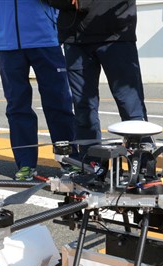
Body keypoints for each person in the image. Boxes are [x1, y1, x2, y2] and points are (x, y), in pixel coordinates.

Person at [47, 0, 149, 159]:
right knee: (83, 109)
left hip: (116, 36)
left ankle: (141, 164)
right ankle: (91, 165)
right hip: (74, 39)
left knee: (130, 105)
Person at [0, 0, 78, 181]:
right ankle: (26, 164)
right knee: (17, 106)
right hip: (6, 40)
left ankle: (69, 159)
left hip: (45, 36)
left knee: (59, 102)